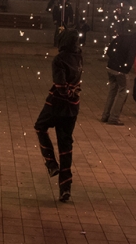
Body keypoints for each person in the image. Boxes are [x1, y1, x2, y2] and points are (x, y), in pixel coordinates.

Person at [33, 29, 83, 202]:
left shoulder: (59, 59)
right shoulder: (78, 56)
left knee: (40, 127)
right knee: (65, 145)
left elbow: (60, 86)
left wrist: (67, 92)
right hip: (73, 107)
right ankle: (65, 188)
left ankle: (51, 164)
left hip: (57, 106)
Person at [101, 33, 136, 126]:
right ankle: (113, 118)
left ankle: (105, 115)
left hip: (110, 67)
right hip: (120, 71)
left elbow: (109, 51)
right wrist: (125, 68)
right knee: (123, 92)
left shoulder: (118, 38)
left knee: (112, 91)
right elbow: (130, 59)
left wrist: (114, 60)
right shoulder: (132, 43)